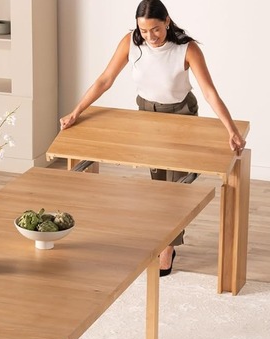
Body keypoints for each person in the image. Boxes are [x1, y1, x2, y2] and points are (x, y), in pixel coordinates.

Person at [59, 0, 246, 277]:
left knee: (176, 187)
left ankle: (168, 246)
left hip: (181, 116)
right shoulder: (131, 43)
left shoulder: (187, 48)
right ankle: (166, 239)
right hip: (147, 116)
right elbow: (105, 80)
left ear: (167, 21)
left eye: (155, 30)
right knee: (159, 185)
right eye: (144, 31)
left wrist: (231, 129)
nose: (150, 37)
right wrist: (76, 111)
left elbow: (209, 91)